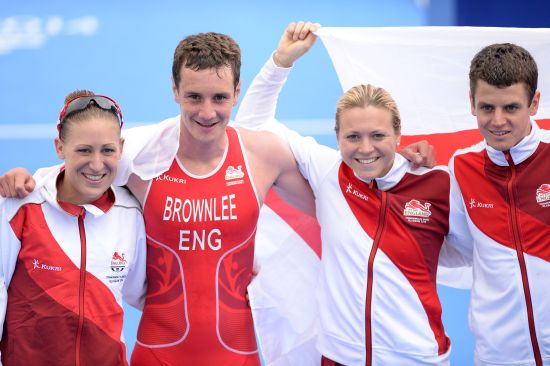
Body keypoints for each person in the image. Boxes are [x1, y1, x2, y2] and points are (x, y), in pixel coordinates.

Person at [0, 24, 434, 365]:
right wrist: (26, 182)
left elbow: (342, 198)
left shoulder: (262, 155)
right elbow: (86, 164)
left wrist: (397, 163)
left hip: (239, 354)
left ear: (237, 94)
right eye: (193, 97)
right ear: (174, 91)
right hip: (156, 354)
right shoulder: (141, 154)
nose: (207, 112)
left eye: (219, 98)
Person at [235, 23, 454, 365]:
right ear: (337, 136)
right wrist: (281, 62)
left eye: (378, 135)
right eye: (352, 137)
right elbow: (252, 130)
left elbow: (471, 252)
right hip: (340, 356)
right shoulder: (329, 172)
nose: (365, 149)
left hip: (417, 357)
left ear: (399, 134)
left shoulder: (438, 183)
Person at [0, 91, 147, 366]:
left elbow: (148, 295)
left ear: (121, 148)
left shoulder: (130, 213)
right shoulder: (19, 207)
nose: (96, 164)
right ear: (59, 147)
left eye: (107, 150)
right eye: (83, 150)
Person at [445, 43, 550, 366]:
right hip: (498, 355)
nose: (498, 121)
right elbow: (461, 249)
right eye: (487, 107)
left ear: (534, 103)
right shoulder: (461, 167)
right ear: (472, 103)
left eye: (511, 108)